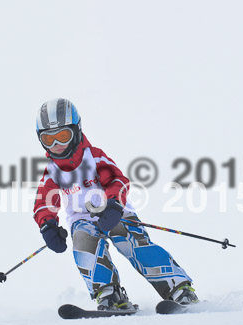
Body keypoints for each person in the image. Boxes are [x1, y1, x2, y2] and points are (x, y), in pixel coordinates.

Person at [33, 98, 197, 311]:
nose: (57, 145)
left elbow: (117, 181)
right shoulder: (52, 172)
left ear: (77, 130)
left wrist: (113, 204)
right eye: (49, 139)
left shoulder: (94, 157)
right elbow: (43, 202)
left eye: (63, 136)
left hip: (114, 212)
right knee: (83, 241)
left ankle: (178, 288)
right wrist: (48, 225)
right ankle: (109, 293)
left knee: (130, 240)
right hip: (82, 220)